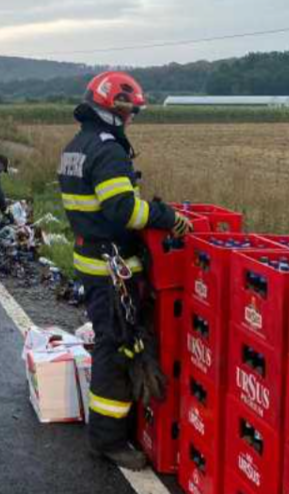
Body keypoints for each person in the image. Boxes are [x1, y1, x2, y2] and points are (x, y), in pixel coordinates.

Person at [57, 72, 193, 471]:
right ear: (114, 109)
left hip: (92, 258)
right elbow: (123, 210)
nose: (133, 118)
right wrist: (165, 216)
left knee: (113, 342)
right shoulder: (108, 150)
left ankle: (112, 428)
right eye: (131, 111)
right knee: (115, 348)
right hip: (110, 265)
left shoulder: (76, 145)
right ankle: (107, 440)